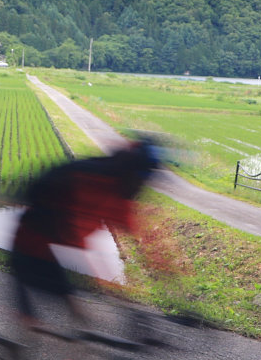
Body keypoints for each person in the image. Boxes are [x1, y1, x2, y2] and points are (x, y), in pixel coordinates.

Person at [9, 138, 161, 333]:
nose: (142, 187)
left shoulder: (119, 190)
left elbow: (137, 234)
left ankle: (71, 342)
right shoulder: (91, 180)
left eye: (145, 181)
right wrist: (106, 281)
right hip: (30, 241)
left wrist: (169, 275)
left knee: (75, 308)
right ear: (129, 171)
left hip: (51, 243)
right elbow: (76, 234)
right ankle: (18, 345)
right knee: (35, 320)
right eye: (140, 179)